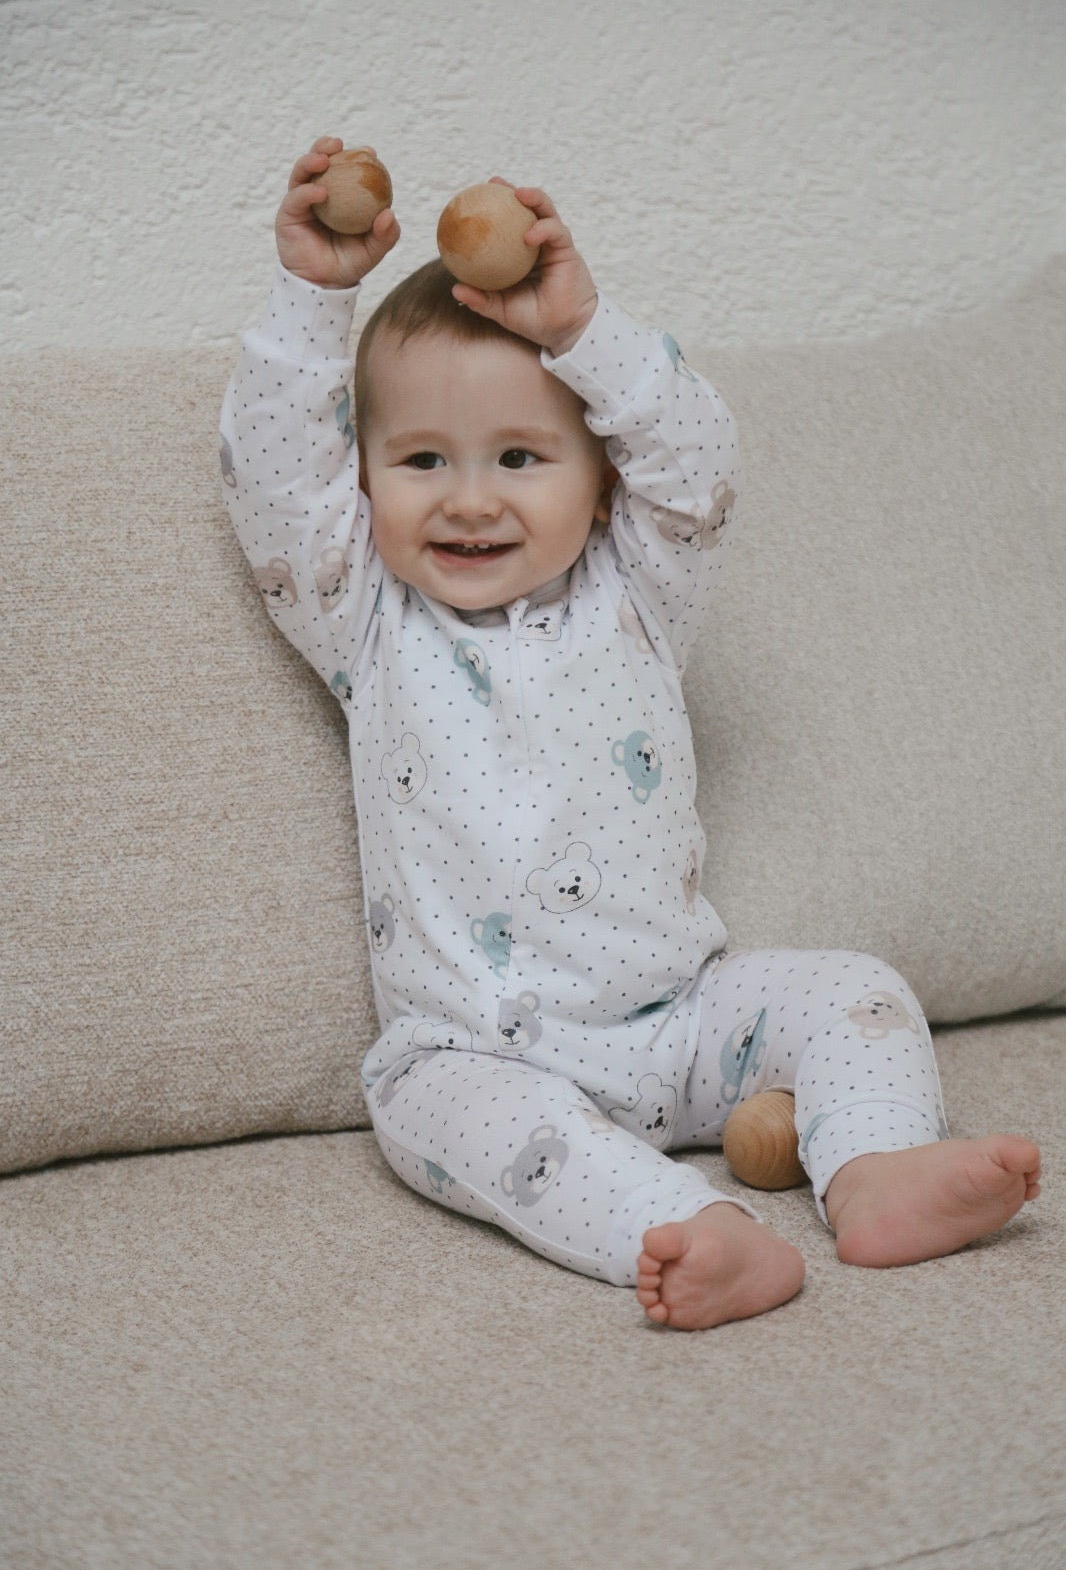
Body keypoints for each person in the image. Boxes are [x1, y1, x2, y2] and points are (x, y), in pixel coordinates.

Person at [220, 137, 1041, 1329]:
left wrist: (580, 328)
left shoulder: (640, 592)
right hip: (473, 1051)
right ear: (366, 484)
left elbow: (696, 460)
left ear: (601, 484)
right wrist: (312, 292)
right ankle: (693, 1226)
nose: (468, 496)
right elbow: (275, 486)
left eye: (519, 457)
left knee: (856, 990)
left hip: (679, 1024)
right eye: (420, 460)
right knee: (457, 1121)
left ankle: (874, 1168)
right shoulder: (368, 619)